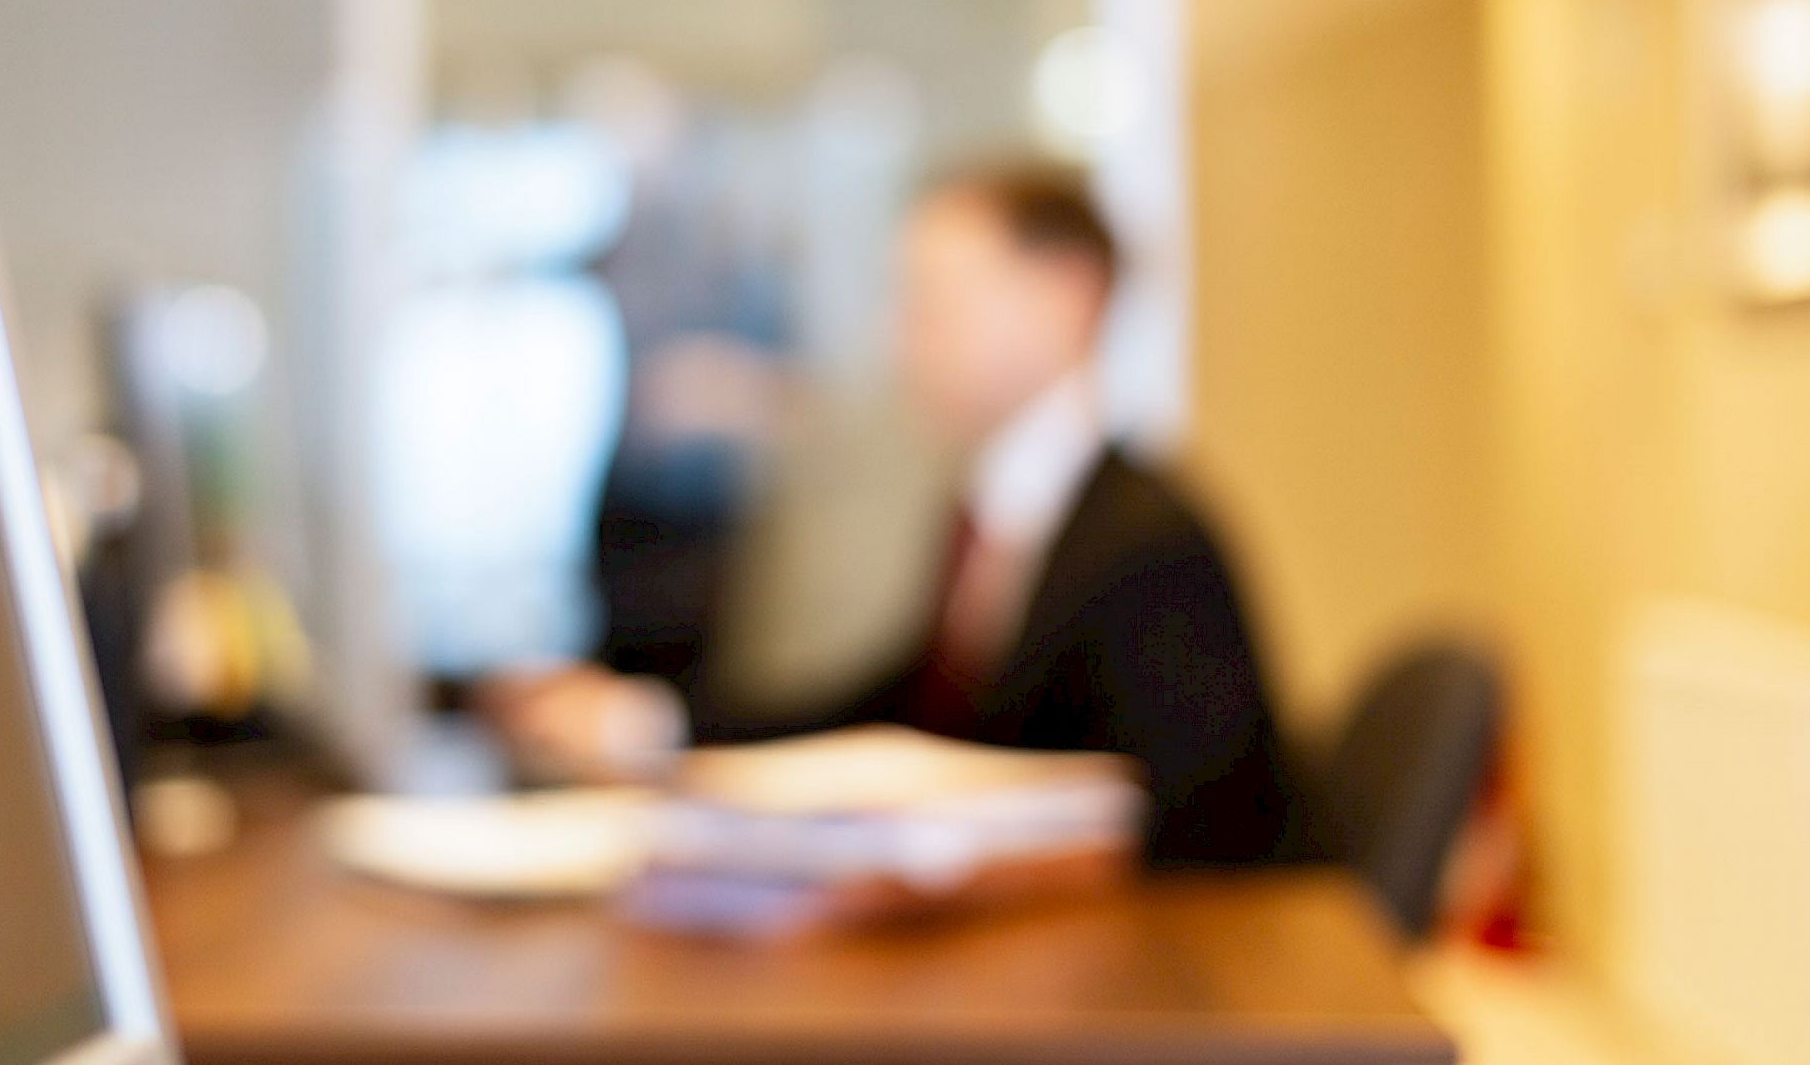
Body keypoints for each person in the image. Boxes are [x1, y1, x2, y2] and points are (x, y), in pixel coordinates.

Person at [485, 166, 1307, 866]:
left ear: (1066, 299)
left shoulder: (1152, 544)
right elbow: (893, 715)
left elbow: (1183, 830)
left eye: (932, 301)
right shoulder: (1001, 512)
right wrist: (651, 725)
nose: (903, 338)